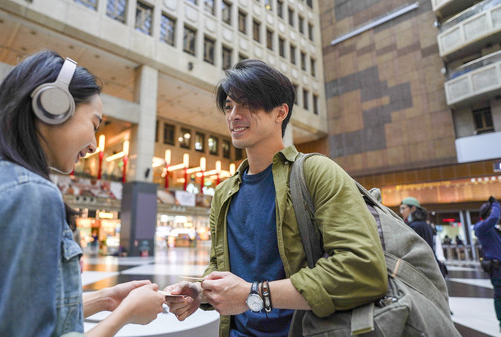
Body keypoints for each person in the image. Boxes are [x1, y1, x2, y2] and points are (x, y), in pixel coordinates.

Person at [0, 50, 165, 337]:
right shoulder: (27, 194)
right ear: (53, 105)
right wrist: (125, 315)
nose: (95, 144)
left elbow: (5, 314)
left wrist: (104, 300)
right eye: (94, 125)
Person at [164, 59, 387, 336]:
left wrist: (253, 294)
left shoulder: (316, 172)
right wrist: (201, 290)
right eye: (229, 106)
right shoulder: (224, 193)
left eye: (247, 104)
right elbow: (223, 267)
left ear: (280, 112)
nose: (234, 115)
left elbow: (363, 270)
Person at [474, 196, 501, 332]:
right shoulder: (481, 228)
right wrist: (495, 205)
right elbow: (494, 218)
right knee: (500, 296)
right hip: (497, 269)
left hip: (497, 267)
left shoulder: (491, 229)